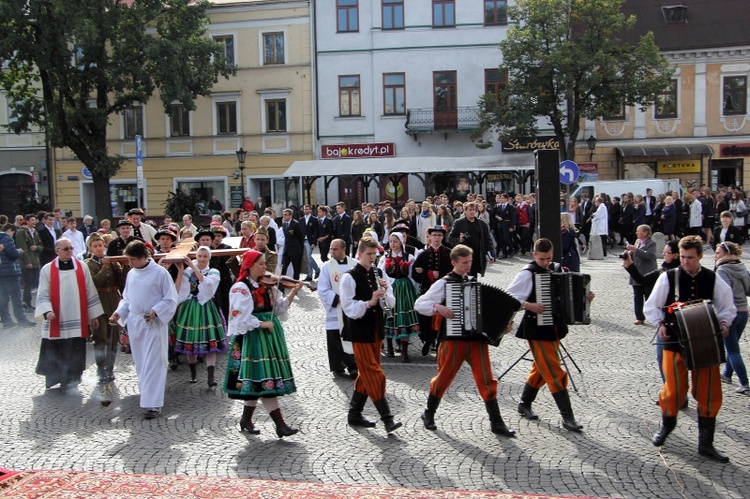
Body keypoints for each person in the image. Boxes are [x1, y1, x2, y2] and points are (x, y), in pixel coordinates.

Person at [644, 236, 735, 462]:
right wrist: (661, 324)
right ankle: (668, 424)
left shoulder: (713, 279)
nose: (685, 262)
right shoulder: (668, 277)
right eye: (683, 257)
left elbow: (727, 307)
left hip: (704, 343)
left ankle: (706, 444)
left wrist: (724, 324)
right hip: (674, 341)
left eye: (690, 258)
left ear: (700, 257)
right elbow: (652, 306)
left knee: (709, 392)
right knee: (673, 390)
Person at [414, 244, 516, 436]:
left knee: (486, 378)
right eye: (464, 263)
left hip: (477, 340)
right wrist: (439, 308)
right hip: (453, 339)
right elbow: (420, 304)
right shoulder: (444, 283)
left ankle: (496, 422)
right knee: (444, 377)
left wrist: (503, 326)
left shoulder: (473, 283)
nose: (468, 266)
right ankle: (429, 412)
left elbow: (486, 313)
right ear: (454, 262)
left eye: (470, 262)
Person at [506, 238, 593, 432]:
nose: (546, 263)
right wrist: (527, 305)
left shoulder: (556, 269)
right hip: (536, 329)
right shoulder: (527, 274)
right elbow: (509, 297)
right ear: (534, 254)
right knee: (554, 371)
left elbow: (571, 293)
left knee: (541, 368)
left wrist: (585, 296)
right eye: (542, 259)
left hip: (554, 327)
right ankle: (567, 417)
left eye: (549, 258)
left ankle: (524, 403)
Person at [223, 250, 302, 437]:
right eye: (261, 264)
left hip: (268, 337)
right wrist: (262, 323)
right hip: (253, 338)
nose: (265, 268)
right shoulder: (240, 288)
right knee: (266, 380)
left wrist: (293, 292)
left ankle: (246, 419)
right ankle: (280, 425)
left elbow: (280, 307)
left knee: (256, 381)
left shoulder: (267, 285)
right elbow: (239, 317)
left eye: (265, 264)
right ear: (249, 266)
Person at [110, 241, 179, 419]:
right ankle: (146, 398)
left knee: (154, 363)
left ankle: (153, 404)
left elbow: (171, 299)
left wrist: (156, 310)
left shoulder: (160, 273)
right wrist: (118, 313)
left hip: (153, 324)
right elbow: (127, 299)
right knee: (141, 363)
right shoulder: (132, 274)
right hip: (135, 323)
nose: (129, 262)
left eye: (132, 259)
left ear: (143, 257)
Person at [340, 238, 401, 433]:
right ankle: (387, 418)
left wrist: (385, 292)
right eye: (369, 254)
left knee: (367, 373)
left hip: (376, 329)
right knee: (374, 373)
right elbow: (349, 308)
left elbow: (391, 302)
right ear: (359, 254)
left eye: (375, 255)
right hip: (359, 331)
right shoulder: (349, 277)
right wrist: (369, 302)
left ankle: (355, 413)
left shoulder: (379, 272)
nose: (372, 258)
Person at [35, 238, 103, 390]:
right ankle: (54, 378)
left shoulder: (81, 267)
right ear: (57, 250)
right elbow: (42, 293)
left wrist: (93, 315)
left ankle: (73, 379)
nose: (70, 251)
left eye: (71, 248)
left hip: (77, 318)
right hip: (56, 317)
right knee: (55, 348)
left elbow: (89, 291)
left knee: (75, 348)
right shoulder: (47, 269)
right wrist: (47, 311)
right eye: (66, 248)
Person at [622, 240, 681, 382]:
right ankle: (668, 388)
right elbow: (642, 280)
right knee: (661, 357)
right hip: (665, 321)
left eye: (666, 252)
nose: (663, 254)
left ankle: (677, 391)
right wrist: (629, 264)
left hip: (682, 320)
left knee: (680, 360)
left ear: (676, 255)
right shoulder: (663, 271)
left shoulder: (680, 273)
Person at [174, 246, 228, 387]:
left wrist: (193, 266)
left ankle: (211, 376)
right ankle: (193, 372)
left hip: (206, 306)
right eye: (200, 256)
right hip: (190, 307)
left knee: (211, 342)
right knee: (190, 342)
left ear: (209, 258)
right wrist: (181, 271)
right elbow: (181, 288)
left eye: (205, 256)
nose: (202, 259)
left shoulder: (213, 271)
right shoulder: (188, 270)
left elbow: (207, 285)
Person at [84, 233, 124, 403]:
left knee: (114, 338)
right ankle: (101, 370)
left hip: (113, 302)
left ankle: (110, 369)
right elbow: (95, 282)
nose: (99, 249)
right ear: (90, 249)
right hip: (98, 304)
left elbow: (122, 281)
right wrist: (106, 268)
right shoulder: (88, 265)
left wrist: (123, 267)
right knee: (100, 338)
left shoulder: (112, 261)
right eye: (95, 246)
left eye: (101, 245)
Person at [317, 239, 358, 378]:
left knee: (350, 336)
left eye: (335, 249)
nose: (332, 252)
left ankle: (354, 365)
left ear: (344, 249)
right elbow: (323, 288)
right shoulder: (326, 267)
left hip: (351, 308)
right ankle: (341, 365)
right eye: (331, 249)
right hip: (336, 308)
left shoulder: (355, 264)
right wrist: (338, 299)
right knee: (336, 339)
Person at [378, 232, 420, 363]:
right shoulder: (385, 257)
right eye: (391, 241)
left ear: (401, 242)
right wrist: (386, 284)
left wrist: (415, 289)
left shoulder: (409, 257)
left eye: (395, 241)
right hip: (391, 287)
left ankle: (404, 351)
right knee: (391, 316)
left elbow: (413, 275)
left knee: (404, 318)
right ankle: (390, 347)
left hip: (405, 288)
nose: (392, 244)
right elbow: (381, 273)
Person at [714, 242, 749, 393]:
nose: (715, 255)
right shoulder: (742, 267)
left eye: (718, 253)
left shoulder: (722, 270)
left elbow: (723, 292)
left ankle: (745, 383)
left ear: (726, 254)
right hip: (743, 312)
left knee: (732, 350)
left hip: (731, 313)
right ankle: (727, 374)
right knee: (733, 346)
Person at [412, 225, 452, 355]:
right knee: (426, 316)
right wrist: (427, 275)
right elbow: (415, 274)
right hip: (428, 290)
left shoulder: (449, 253)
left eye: (439, 235)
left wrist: (441, 276)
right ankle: (428, 340)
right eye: (434, 235)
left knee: (441, 318)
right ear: (430, 237)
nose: (437, 238)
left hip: (445, 291)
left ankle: (440, 341)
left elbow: (453, 271)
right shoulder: (423, 254)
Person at [1, 224, 36, 328]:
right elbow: (13, 254)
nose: (13, 235)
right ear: (9, 230)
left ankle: (7, 321)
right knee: (16, 297)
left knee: (3, 298)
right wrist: (19, 251)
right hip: (10, 272)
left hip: (1, 273)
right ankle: (22, 320)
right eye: (13, 232)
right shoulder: (7, 239)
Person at [448, 202, 495, 277]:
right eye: (470, 210)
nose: (472, 212)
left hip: (477, 255)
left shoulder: (482, 224)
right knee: (464, 276)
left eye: (474, 210)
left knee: (473, 277)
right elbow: (450, 238)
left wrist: (491, 254)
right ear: (465, 211)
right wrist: (459, 240)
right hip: (463, 255)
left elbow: (487, 240)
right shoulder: (459, 223)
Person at [626, 224, 657, 325]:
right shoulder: (638, 242)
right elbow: (635, 255)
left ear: (645, 233)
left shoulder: (652, 243)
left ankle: (653, 316)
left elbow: (649, 256)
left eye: (638, 231)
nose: (636, 233)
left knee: (649, 296)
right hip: (637, 273)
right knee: (637, 297)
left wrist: (635, 250)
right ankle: (639, 317)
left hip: (647, 274)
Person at [15, 214, 43, 312]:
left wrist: (37, 248)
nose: (34, 222)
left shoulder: (35, 232)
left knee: (32, 283)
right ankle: (26, 303)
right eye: (32, 220)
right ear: (27, 221)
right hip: (28, 262)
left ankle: (28, 302)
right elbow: (22, 248)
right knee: (28, 283)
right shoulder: (22, 232)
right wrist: (27, 262)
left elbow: (40, 245)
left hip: (35, 261)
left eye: (35, 220)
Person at [280, 208, 305, 280]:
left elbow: (301, 236)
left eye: (286, 215)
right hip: (286, 250)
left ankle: (296, 286)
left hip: (295, 251)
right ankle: (282, 286)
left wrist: (299, 248)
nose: (284, 216)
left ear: (290, 216)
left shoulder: (295, 224)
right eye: (283, 215)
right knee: (283, 268)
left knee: (296, 270)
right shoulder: (284, 224)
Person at [298, 205, 320, 281]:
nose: (306, 210)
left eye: (307, 209)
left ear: (310, 210)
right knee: (306, 258)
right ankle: (309, 275)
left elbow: (316, 231)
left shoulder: (314, 219)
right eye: (304, 209)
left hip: (310, 241)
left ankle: (317, 270)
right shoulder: (301, 219)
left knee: (308, 257)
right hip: (303, 240)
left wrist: (314, 242)